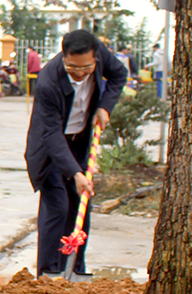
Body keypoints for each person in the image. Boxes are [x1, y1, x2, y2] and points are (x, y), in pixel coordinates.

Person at [25, 29, 128, 277]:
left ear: (95, 58)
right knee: (58, 206)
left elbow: (119, 75)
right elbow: (51, 134)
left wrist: (105, 107)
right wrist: (75, 173)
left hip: (80, 141)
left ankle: (75, 268)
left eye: (86, 68)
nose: (80, 74)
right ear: (64, 57)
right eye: (73, 68)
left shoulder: (100, 56)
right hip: (50, 149)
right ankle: (49, 272)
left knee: (80, 204)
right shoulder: (48, 81)